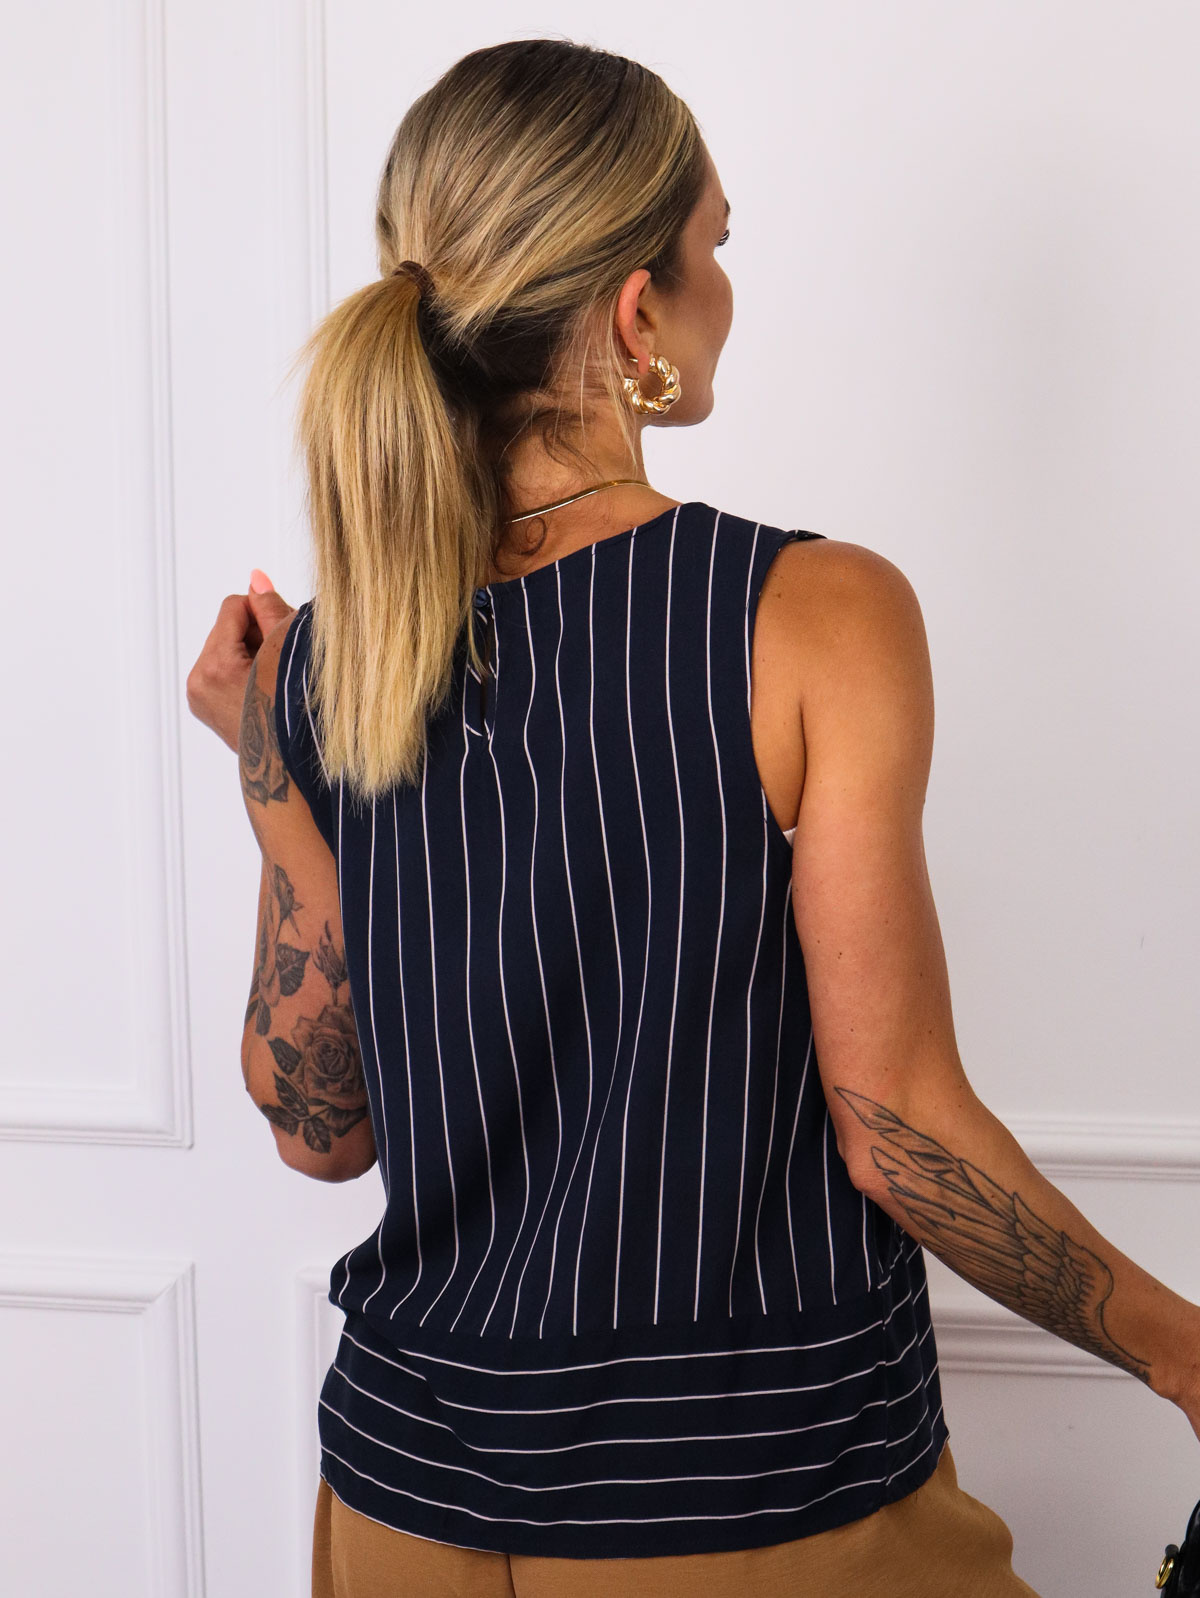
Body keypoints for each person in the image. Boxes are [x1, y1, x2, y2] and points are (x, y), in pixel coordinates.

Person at [187, 35, 1200, 1598]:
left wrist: (270, 771)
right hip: (747, 1501)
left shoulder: (330, 655)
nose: (729, 283)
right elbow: (896, 1123)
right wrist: (1182, 1347)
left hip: (403, 1497)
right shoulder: (813, 612)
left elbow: (319, 1134)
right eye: (715, 243)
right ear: (635, 311)